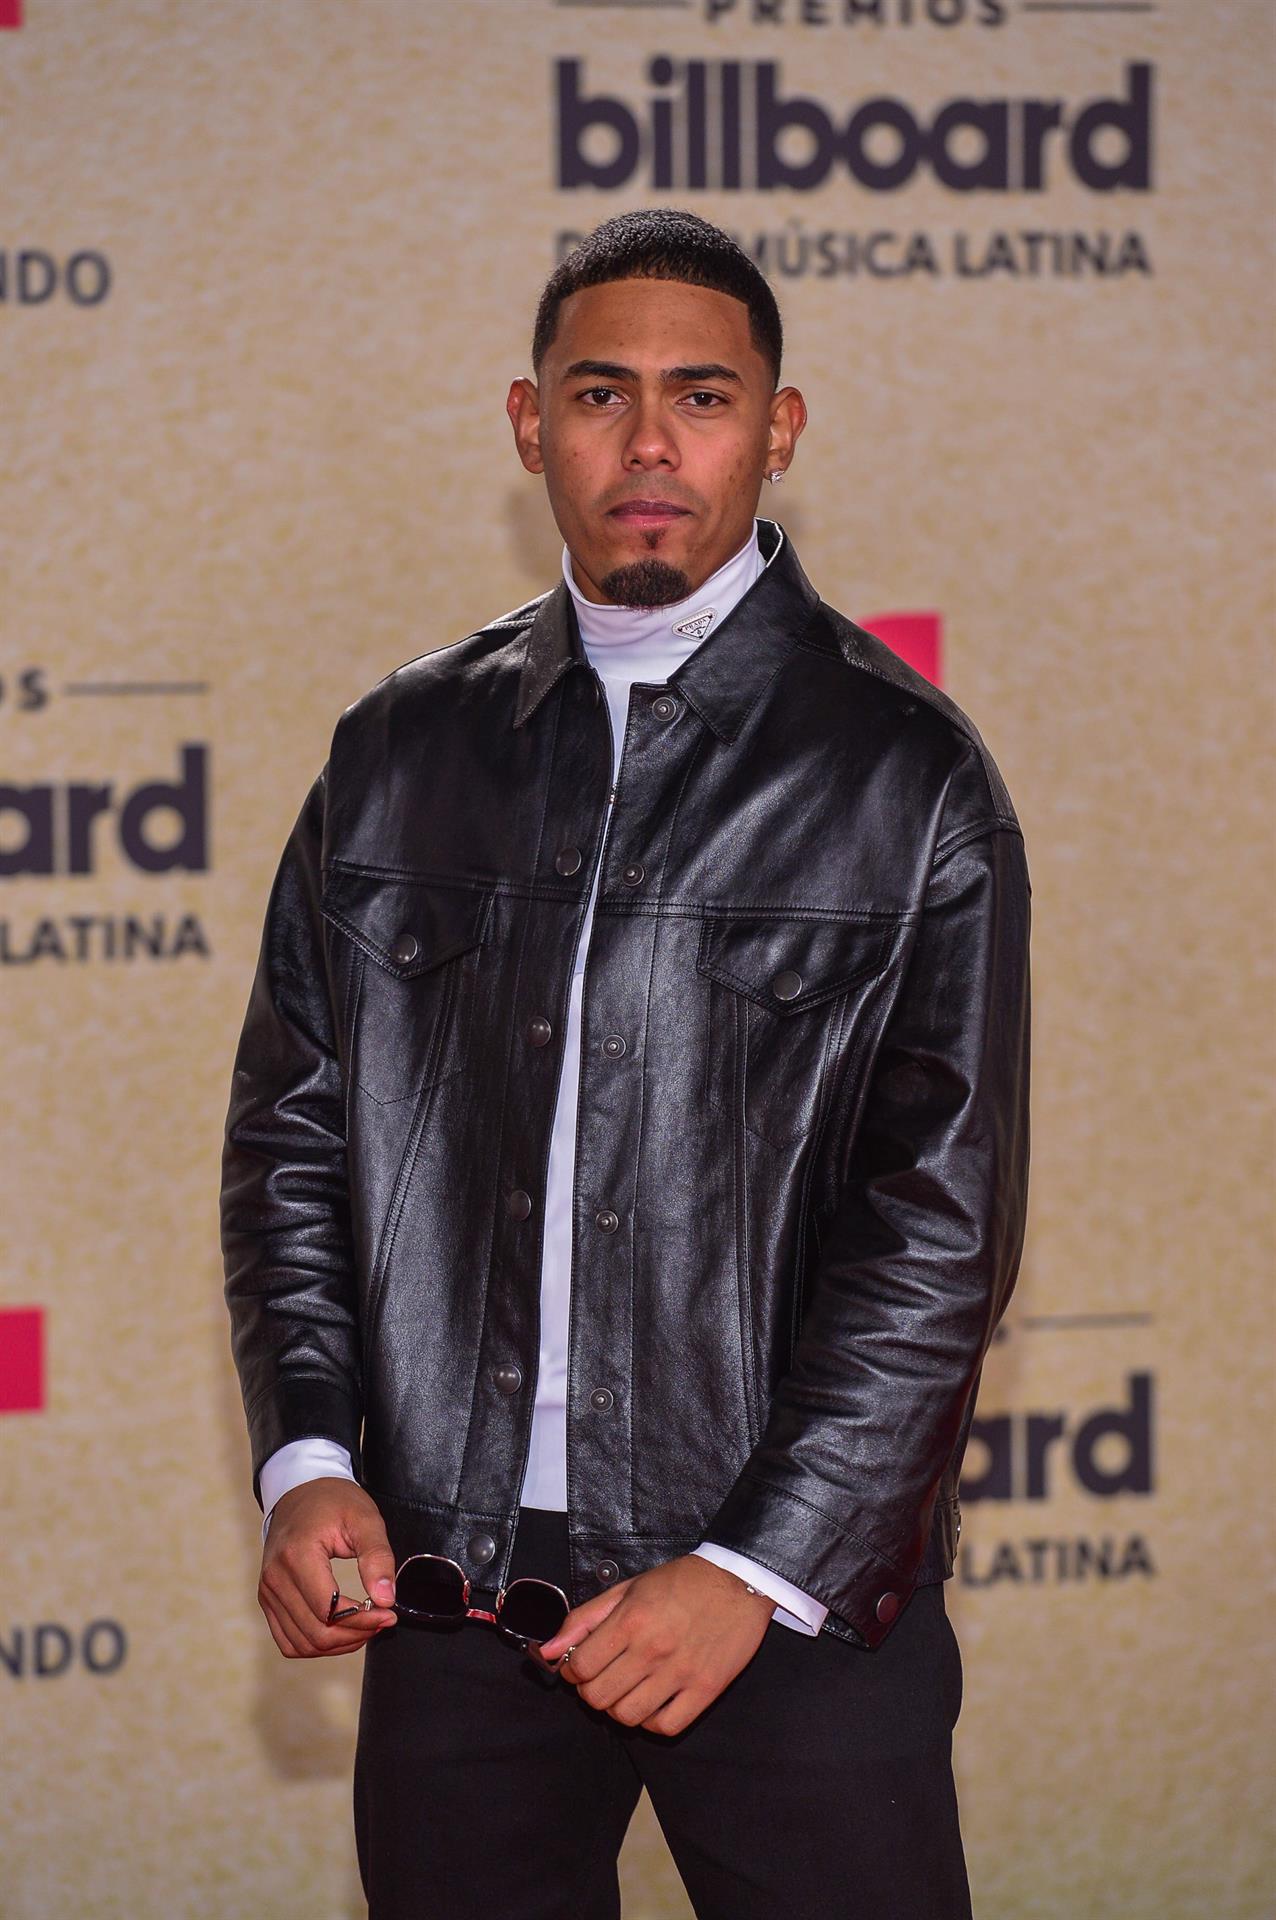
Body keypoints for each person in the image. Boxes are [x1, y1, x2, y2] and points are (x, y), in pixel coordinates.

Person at [221, 207, 1031, 1920]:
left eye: (703, 397)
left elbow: (937, 1227)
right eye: (600, 395)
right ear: (531, 425)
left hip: (789, 1616)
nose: (650, 443)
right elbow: (295, 1139)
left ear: (778, 428)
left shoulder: (907, 779)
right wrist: (308, 1458)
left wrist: (752, 1566)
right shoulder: (395, 751)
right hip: (454, 1595)